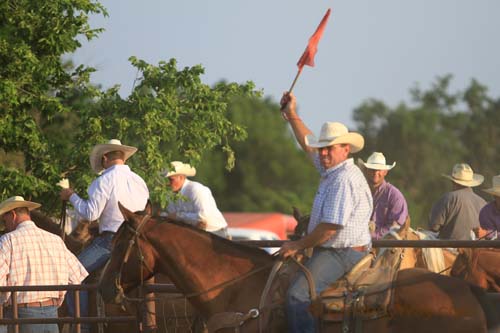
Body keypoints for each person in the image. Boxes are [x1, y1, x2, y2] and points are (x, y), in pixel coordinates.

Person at [279, 92, 372, 333]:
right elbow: (308, 145)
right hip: (335, 248)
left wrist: (297, 245)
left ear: (346, 149)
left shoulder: (343, 179)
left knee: (297, 296)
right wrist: (291, 115)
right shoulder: (333, 169)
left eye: (329, 148)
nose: (323, 153)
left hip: (342, 252)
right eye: (323, 149)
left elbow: (330, 229)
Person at [60, 139, 150, 332]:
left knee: (72, 274)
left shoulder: (103, 180)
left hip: (112, 241)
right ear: (123, 158)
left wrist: (71, 197)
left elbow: (90, 214)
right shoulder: (140, 181)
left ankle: (83, 326)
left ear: (105, 158)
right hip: (140, 241)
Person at [0, 196, 88, 333]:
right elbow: (77, 277)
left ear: (13, 215)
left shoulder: (7, 241)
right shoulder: (56, 240)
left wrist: (5, 301)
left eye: (4, 221)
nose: (5, 226)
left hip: (21, 315)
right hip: (52, 314)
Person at [163, 161, 229, 238]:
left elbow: (203, 218)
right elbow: (172, 217)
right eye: (167, 180)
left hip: (215, 232)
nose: (168, 183)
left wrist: (178, 216)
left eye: (171, 179)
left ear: (181, 177)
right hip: (195, 233)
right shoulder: (169, 195)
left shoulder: (196, 189)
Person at [358, 152, 409, 239]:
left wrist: (371, 236)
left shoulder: (395, 196)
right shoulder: (358, 192)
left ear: (385, 172)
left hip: (385, 247)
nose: (375, 173)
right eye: (372, 169)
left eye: (379, 170)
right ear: (366, 170)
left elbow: (397, 229)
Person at [428, 163, 486, 240]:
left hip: (450, 248)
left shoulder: (448, 198)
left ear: (453, 182)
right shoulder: (483, 202)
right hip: (475, 249)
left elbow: (434, 227)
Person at [475, 175, 500, 240]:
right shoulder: (486, 213)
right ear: (494, 196)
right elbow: (491, 241)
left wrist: (486, 234)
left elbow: (487, 234)